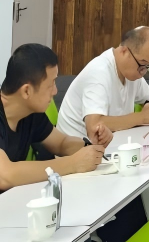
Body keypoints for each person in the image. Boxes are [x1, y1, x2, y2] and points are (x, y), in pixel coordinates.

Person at [0, 44, 110, 191]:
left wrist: (91, 145)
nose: (55, 91)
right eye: (50, 84)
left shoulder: (30, 113)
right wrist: (72, 164)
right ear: (27, 91)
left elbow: (61, 143)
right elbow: (5, 175)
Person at [57, 27, 149, 140]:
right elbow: (94, 125)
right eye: (142, 64)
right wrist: (141, 117)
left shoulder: (133, 72)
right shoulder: (99, 73)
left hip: (112, 143)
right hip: (76, 146)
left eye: (148, 66)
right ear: (124, 51)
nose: (143, 72)